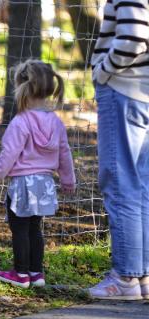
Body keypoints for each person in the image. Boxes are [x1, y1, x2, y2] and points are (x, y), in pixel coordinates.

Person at [0, 59, 76, 288]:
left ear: (22, 87)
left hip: (23, 185)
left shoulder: (20, 122)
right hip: (45, 184)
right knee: (35, 228)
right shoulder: (56, 122)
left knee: (20, 230)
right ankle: (37, 273)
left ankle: (21, 274)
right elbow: (65, 153)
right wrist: (68, 180)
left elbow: (8, 157)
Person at [89, 0, 149, 300]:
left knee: (121, 182)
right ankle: (142, 274)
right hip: (144, 92)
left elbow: (134, 39)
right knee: (141, 186)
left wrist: (103, 71)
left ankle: (125, 277)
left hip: (124, 90)